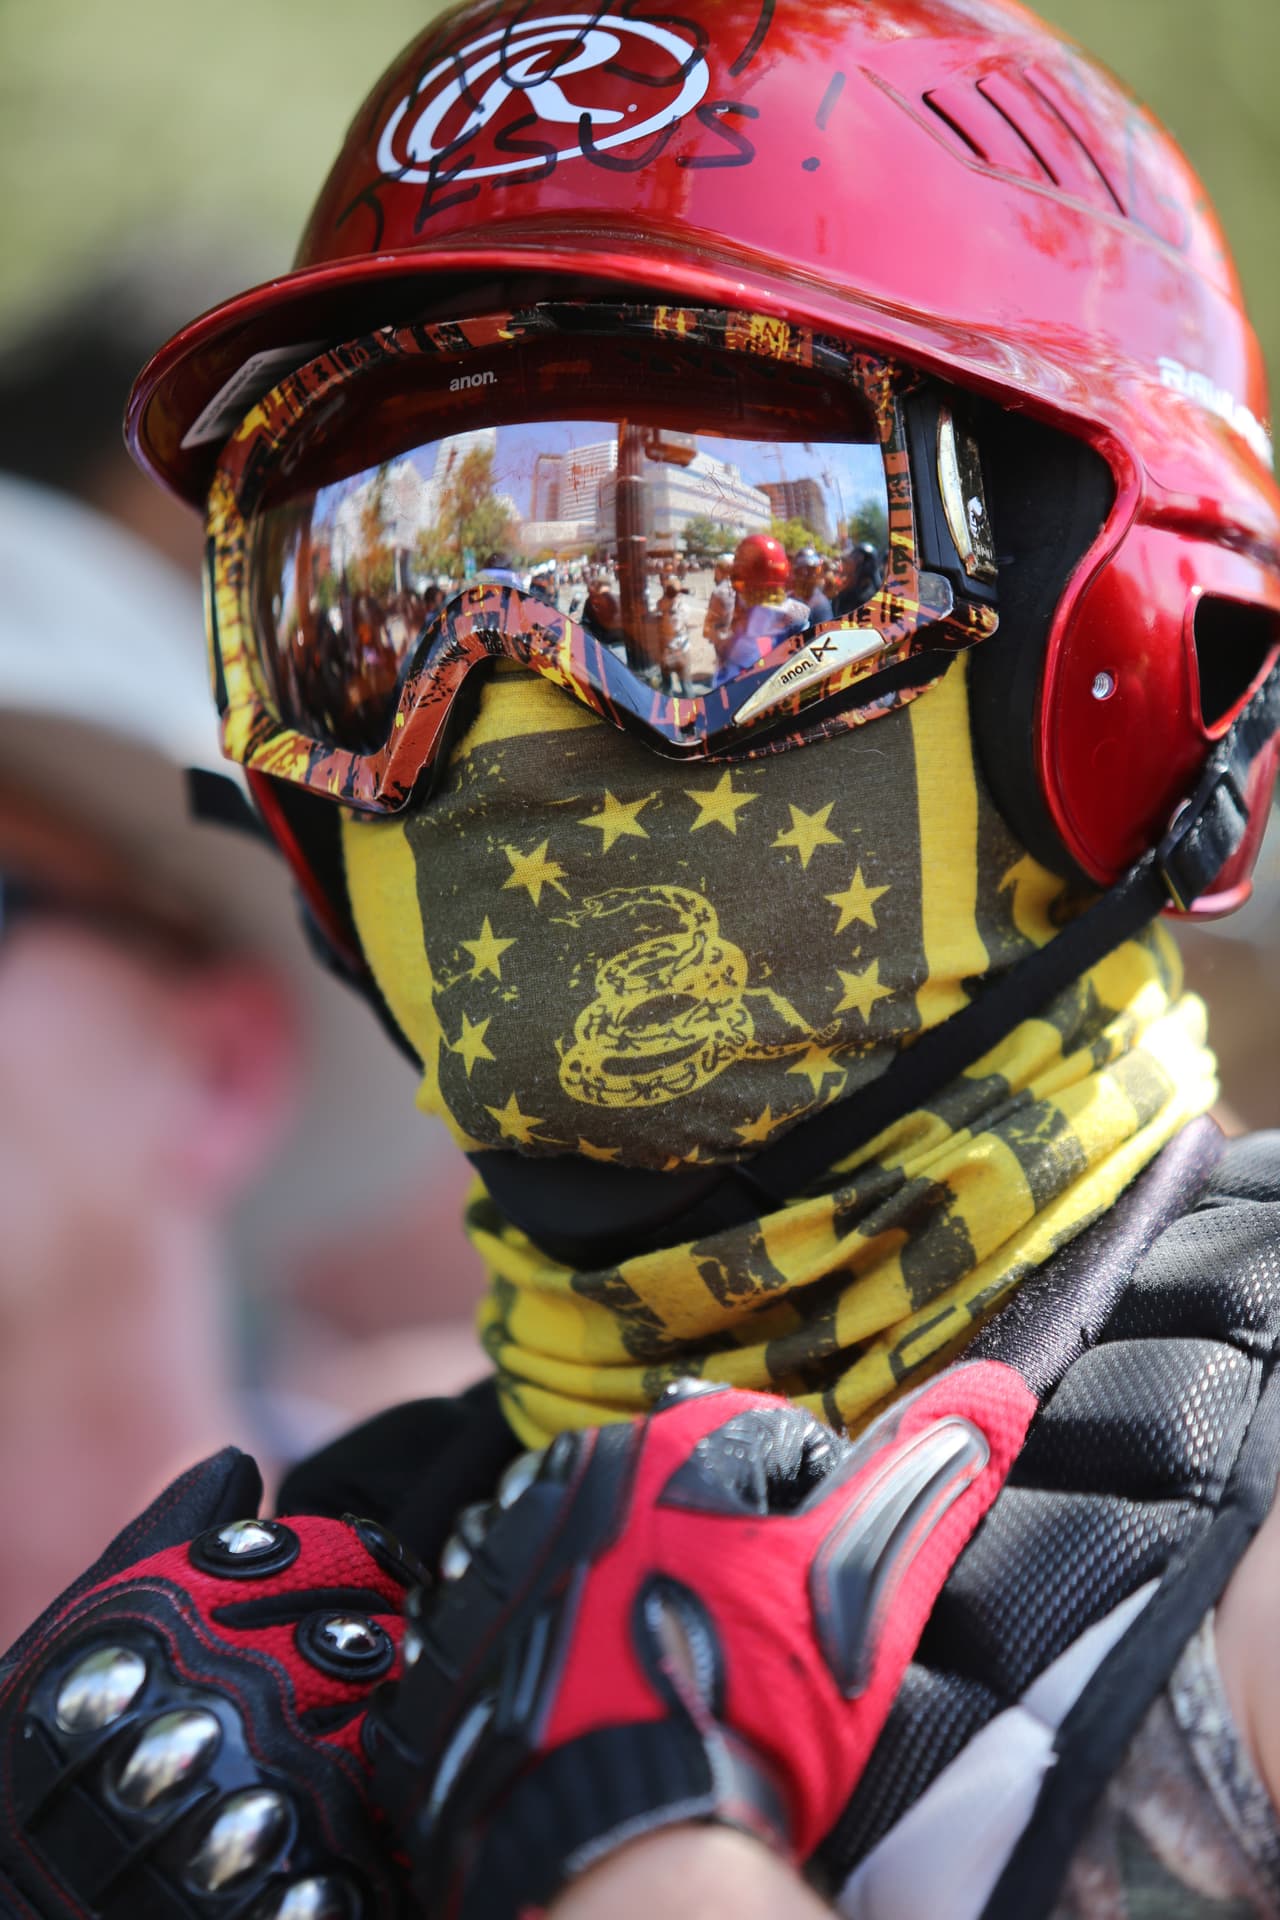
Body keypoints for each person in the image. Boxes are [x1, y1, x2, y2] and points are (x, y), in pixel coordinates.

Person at [5, 3, 1280, 1918]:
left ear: (1130, 660)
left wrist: (631, 1834)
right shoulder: (283, 1638)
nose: (508, 716)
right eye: (369, 609)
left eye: (697, 578)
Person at [791, 545, 834, 626]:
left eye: (810, 570)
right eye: (801, 570)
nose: (805, 574)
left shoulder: (820, 604)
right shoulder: (789, 596)